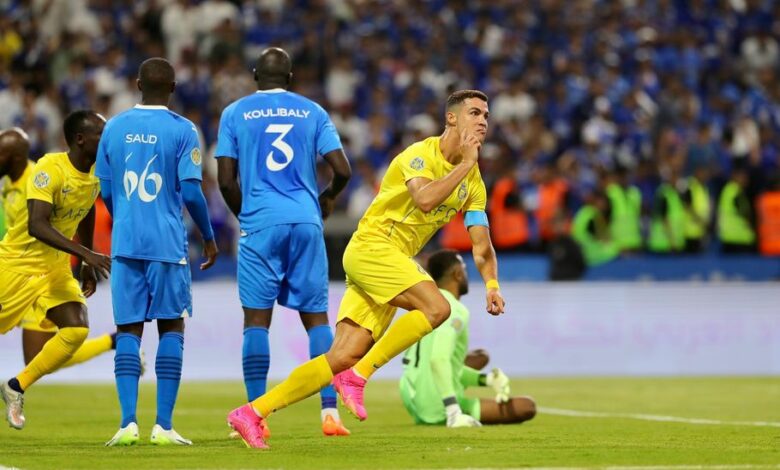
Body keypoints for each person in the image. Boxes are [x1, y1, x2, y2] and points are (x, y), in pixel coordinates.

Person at [228, 89, 506, 449]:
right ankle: (359, 377)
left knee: (342, 354)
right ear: (451, 118)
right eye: (474, 113)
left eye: (486, 114)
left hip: (392, 263)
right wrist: (467, 164)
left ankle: (251, 412)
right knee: (437, 307)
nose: (483, 120)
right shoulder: (419, 155)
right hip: (371, 247)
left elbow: (481, 245)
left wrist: (492, 284)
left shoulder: (474, 184)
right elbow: (424, 200)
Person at [215, 47, 352, 437]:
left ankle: (255, 415)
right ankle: (329, 413)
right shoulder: (313, 111)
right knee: (316, 320)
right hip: (306, 221)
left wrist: (248, 214)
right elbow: (343, 170)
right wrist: (327, 198)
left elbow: (226, 180)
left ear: (255, 74)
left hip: (261, 223)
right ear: (290, 78)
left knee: (256, 321)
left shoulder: (235, 113)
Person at [96, 58, 218, 446]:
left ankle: (127, 423)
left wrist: (128, 220)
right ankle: (163, 426)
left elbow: (107, 191)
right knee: (171, 327)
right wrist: (210, 236)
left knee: (129, 330)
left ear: (136, 84)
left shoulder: (112, 128)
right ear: (173, 87)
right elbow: (194, 193)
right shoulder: (183, 130)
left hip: (126, 245)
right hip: (166, 245)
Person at [0, 111, 112, 430]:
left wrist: (86, 266)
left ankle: (15, 387)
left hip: (55, 268)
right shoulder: (50, 168)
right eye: (100, 136)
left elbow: (88, 209)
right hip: (16, 266)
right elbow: (37, 224)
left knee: (76, 328)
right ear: (80, 140)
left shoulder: (95, 174)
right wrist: (86, 253)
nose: (106, 142)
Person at [400, 249, 536, 427]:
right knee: (527, 406)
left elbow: (441, 364)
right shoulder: (453, 309)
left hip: (413, 399)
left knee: (479, 356)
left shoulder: (423, 306)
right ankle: (453, 412)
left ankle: (447, 405)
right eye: (464, 269)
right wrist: (452, 409)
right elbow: (439, 360)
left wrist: (486, 380)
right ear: (457, 274)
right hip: (436, 404)